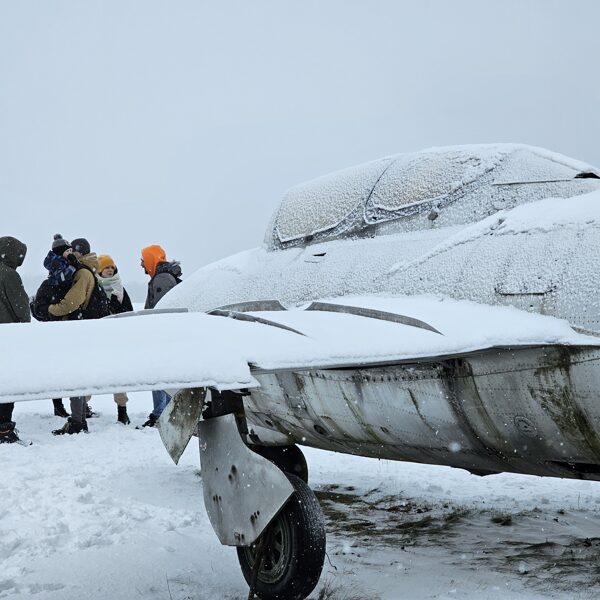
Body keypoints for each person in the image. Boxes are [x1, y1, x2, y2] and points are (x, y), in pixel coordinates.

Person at [48, 237, 108, 435]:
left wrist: (50, 309)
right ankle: (79, 420)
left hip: (78, 329)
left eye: (72, 250)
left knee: (74, 375)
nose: (69, 253)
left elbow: (71, 303)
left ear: (79, 252)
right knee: (79, 374)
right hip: (86, 328)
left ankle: (76, 422)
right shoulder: (89, 269)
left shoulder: (82, 272)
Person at [31, 234, 77, 419]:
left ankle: (74, 406)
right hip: (54, 332)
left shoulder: (72, 277)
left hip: (70, 329)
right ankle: (58, 405)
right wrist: (54, 312)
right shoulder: (50, 283)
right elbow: (39, 309)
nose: (71, 253)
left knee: (71, 369)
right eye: (68, 251)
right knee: (58, 370)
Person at [140, 244, 182, 427]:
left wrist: (154, 333)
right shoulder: (163, 277)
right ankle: (165, 412)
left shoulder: (162, 279)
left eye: (143, 260)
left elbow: (162, 311)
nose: (142, 264)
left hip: (162, 336)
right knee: (163, 374)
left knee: (158, 373)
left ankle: (161, 414)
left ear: (151, 259)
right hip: (164, 336)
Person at [0, 236, 31, 444]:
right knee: (6, 382)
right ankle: (4, 429)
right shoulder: (8, 274)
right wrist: (24, 327)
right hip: (6, 337)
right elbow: (21, 307)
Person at [97, 254, 133, 424]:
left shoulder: (120, 289)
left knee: (119, 375)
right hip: (98, 338)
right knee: (90, 373)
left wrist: (117, 308)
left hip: (117, 338)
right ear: (99, 270)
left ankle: (122, 410)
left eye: (112, 267)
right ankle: (83, 408)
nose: (110, 270)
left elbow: (128, 312)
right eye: (106, 267)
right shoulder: (94, 287)